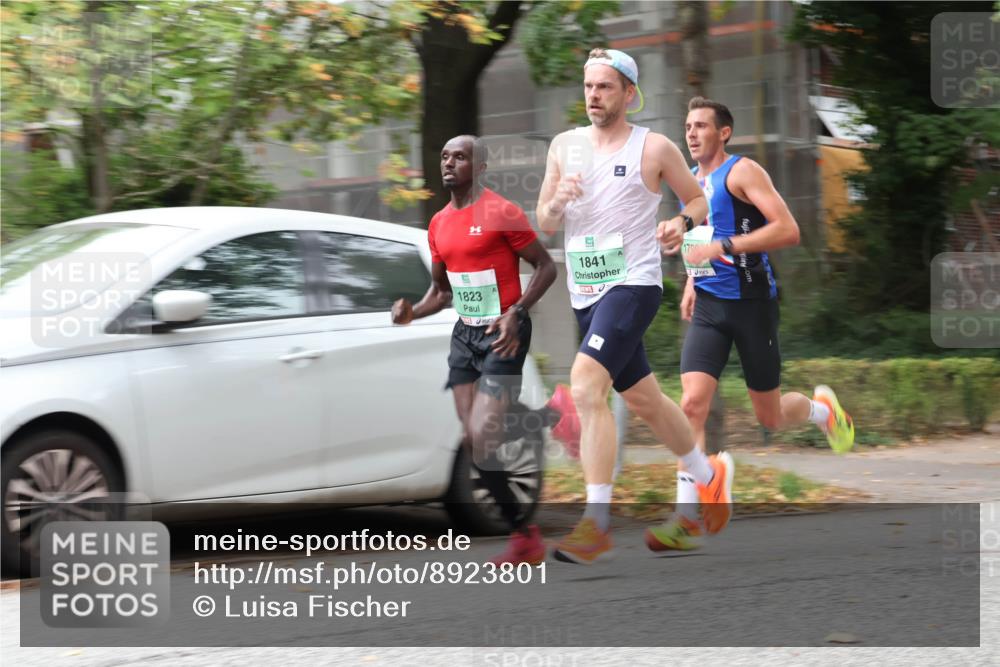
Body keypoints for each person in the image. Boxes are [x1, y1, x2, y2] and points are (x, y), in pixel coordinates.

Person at [536, 49, 734, 565]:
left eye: (604, 87)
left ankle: (595, 523)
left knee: (585, 385)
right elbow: (546, 221)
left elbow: (700, 202)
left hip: (633, 284)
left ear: (628, 93)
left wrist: (681, 224)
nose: (593, 96)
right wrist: (557, 202)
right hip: (585, 291)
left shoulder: (655, 147)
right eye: (588, 87)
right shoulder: (564, 146)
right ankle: (710, 480)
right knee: (646, 400)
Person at [644, 97, 855, 552]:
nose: (692, 133)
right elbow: (700, 240)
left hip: (754, 304)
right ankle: (685, 517)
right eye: (687, 126)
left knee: (770, 416)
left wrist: (726, 247)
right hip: (710, 308)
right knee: (692, 406)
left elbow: (788, 229)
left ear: (724, 133)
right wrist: (692, 282)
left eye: (701, 126)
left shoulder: (743, 172)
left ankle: (823, 411)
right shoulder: (690, 185)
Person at [392, 135, 579, 565]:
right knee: (479, 446)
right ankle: (525, 533)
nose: (449, 163)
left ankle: (553, 415)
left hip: (505, 330)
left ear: (479, 166)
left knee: (479, 433)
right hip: (465, 336)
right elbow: (440, 292)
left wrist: (516, 311)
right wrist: (411, 313)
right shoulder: (438, 223)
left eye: (460, 156)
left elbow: (546, 266)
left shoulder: (500, 211)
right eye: (444, 156)